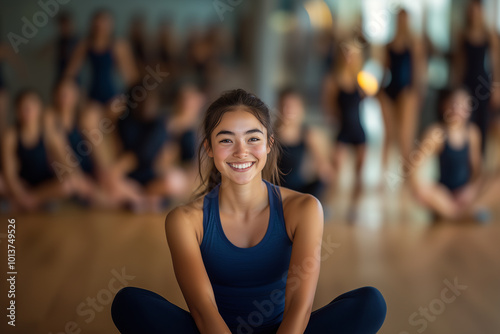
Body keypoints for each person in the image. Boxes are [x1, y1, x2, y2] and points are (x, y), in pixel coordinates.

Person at [111, 89, 386, 333]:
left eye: (253, 138)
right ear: (208, 147)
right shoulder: (185, 220)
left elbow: (299, 306)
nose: (241, 152)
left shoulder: (304, 209)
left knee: (370, 304)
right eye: (226, 140)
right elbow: (203, 311)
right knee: (129, 303)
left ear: (268, 144)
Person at [411, 87, 500, 222]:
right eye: (454, 103)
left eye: (464, 104)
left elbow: (478, 172)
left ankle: (453, 214)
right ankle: (462, 215)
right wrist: (427, 191)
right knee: (421, 189)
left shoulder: (472, 134)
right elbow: (414, 167)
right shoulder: (436, 133)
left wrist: (471, 190)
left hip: (466, 194)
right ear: (444, 105)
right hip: (444, 195)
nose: (458, 108)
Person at [1, 90, 85, 211]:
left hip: (43, 185)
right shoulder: (11, 135)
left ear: (39, 108)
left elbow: (66, 161)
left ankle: (26, 202)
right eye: (23, 107)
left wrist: (77, 179)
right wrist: (19, 193)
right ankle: (29, 203)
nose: (27, 111)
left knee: (69, 184)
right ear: (17, 111)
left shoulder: (49, 135)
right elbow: (9, 173)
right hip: (20, 183)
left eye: (31, 106)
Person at [323, 39, 367, 219]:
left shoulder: (360, 79)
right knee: (335, 170)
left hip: (359, 129)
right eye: (346, 53)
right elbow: (329, 106)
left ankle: (354, 208)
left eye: (352, 54)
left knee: (359, 172)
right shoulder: (333, 80)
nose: (349, 57)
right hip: (343, 129)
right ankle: (328, 204)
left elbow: (368, 97)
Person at [377, 9, 423, 175]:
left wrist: (418, 93)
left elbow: (418, 71)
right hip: (391, 89)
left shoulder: (414, 44)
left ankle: (407, 174)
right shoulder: (389, 44)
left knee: (405, 136)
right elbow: (384, 70)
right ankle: (383, 173)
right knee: (388, 134)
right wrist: (379, 90)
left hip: (407, 91)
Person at [65, 9, 138, 112]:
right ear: (93, 26)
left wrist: (125, 99)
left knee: (113, 118)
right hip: (92, 95)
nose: (101, 29)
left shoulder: (118, 46)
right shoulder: (85, 45)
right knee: (90, 121)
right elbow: (70, 74)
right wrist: (78, 96)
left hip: (112, 95)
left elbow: (131, 77)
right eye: (98, 25)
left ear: (110, 26)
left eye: (104, 25)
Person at [454, 0, 499, 154]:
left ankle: (482, 161)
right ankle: (467, 162)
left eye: (477, 11)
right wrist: (457, 87)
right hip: (467, 83)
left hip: (484, 84)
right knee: (466, 122)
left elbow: (495, 64)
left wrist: (496, 87)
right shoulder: (463, 35)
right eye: (472, 11)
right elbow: (460, 64)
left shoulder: (490, 35)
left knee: (483, 123)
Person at [276, 87, 332, 198]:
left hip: (298, 189)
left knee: (321, 182)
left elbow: (325, 169)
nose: (288, 110)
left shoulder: (307, 134)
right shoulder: (271, 135)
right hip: (275, 189)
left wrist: (324, 171)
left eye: (293, 106)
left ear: (300, 109)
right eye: (285, 106)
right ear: (279, 107)